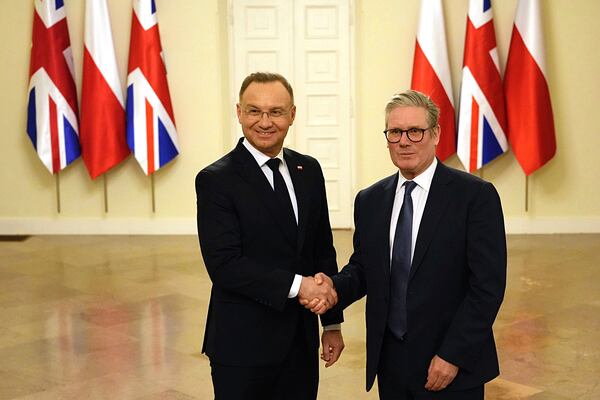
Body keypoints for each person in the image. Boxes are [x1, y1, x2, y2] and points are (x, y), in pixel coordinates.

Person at [305, 90, 506, 399]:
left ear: (435, 133)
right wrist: (331, 289)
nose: (404, 140)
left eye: (415, 131)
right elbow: (364, 269)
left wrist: (453, 355)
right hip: (391, 365)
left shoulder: (474, 197)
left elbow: (487, 288)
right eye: (395, 132)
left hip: (451, 365)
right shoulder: (371, 200)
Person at [195, 72, 344, 400]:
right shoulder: (216, 180)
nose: (264, 122)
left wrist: (331, 323)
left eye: (276, 111)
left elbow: (322, 250)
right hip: (242, 345)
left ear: (292, 115)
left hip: (299, 343)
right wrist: (299, 285)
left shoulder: (309, 169)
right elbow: (225, 266)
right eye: (254, 111)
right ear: (238, 113)